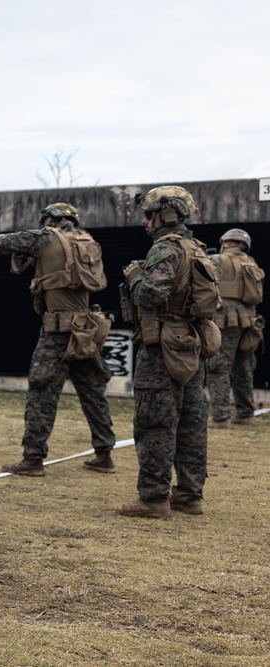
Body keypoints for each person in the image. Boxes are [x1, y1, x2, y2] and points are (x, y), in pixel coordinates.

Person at [0, 203, 116, 476]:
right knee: (93, 393)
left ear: (50, 220)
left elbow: (3, 243)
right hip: (85, 328)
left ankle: (33, 459)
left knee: (41, 394)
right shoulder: (87, 242)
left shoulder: (46, 237)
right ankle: (104, 453)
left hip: (57, 331)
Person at [117, 185, 213, 519]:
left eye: (149, 214)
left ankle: (154, 499)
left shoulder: (166, 249)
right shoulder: (197, 248)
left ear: (166, 215)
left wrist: (135, 278)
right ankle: (189, 495)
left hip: (162, 347)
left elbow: (151, 294)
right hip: (191, 341)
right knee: (191, 421)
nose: (145, 222)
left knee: (154, 420)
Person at [207, 228, 264, 429]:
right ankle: (245, 414)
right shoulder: (251, 262)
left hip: (225, 321)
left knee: (218, 367)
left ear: (228, 242)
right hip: (248, 322)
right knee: (244, 368)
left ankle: (221, 417)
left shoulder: (217, 260)